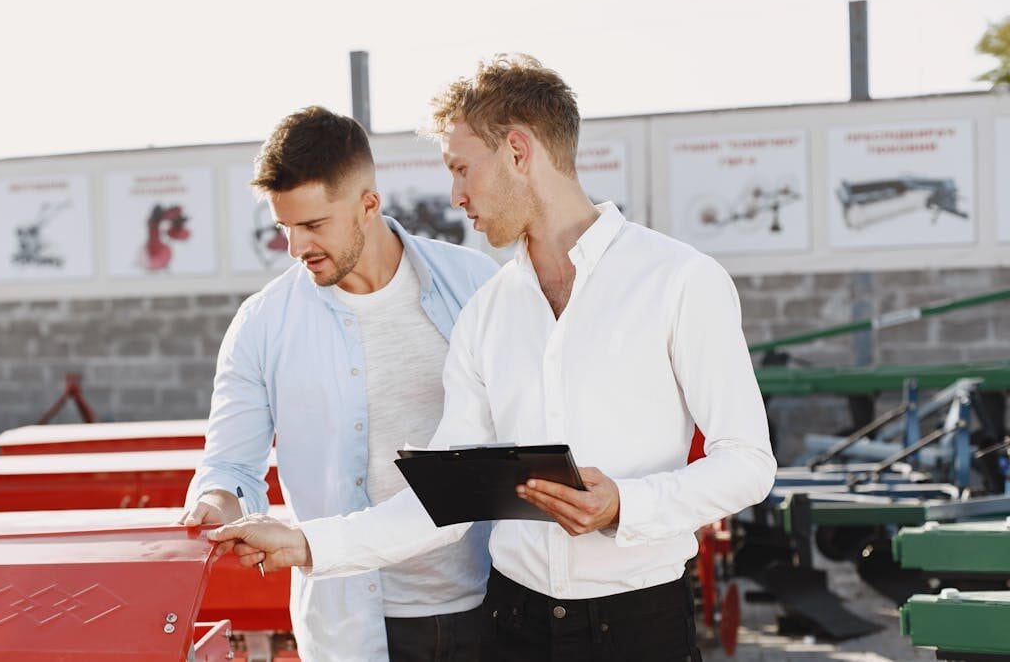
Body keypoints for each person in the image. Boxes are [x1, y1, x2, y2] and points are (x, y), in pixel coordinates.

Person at [209, 55, 778, 662]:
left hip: (641, 625)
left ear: (517, 150)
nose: (454, 196)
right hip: (512, 626)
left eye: (461, 169)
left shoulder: (680, 280)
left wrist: (626, 505)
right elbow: (450, 498)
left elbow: (748, 464)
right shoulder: (487, 311)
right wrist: (305, 543)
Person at [178, 105, 499, 662]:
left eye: (313, 225)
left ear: (368, 205)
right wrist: (217, 502)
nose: (296, 247)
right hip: (349, 626)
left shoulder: (475, 287)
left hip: (485, 608)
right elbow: (230, 468)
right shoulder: (263, 325)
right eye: (285, 227)